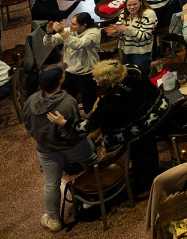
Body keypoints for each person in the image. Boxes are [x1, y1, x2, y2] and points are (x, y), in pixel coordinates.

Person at [54, 59, 169, 193]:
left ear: (108, 80)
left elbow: (90, 125)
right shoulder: (134, 70)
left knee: (140, 158)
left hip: (137, 130)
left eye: (97, 77)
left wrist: (65, 122)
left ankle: (147, 186)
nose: (93, 78)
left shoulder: (110, 100)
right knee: (150, 150)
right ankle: (153, 176)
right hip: (155, 115)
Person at [22, 66, 99, 232]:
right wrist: (92, 112)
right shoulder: (67, 102)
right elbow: (74, 130)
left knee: (51, 184)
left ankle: (54, 219)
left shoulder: (31, 100)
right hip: (73, 146)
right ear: (61, 80)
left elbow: (27, 124)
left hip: (46, 149)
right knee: (92, 164)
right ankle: (100, 194)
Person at [43, 12, 101, 107]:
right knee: (67, 99)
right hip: (70, 72)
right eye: (71, 23)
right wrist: (49, 33)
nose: (70, 26)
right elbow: (48, 43)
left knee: (88, 101)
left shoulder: (93, 33)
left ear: (83, 26)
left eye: (74, 24)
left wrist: (62, 32)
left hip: (87, 73)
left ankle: (88, 119)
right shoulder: (71, 31)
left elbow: (78, 44)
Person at [105, 0, 158, 76]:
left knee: (141, 75)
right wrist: (115, 31)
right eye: (129, 5)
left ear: (141, 2)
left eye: (135, 4)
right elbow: (119, 29)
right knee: (129, 74)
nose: (132, 7)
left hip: (141, 52)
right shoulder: (124, 14)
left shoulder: (149, 14)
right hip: (126, 50)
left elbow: (144, 36)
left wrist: (126, 30)